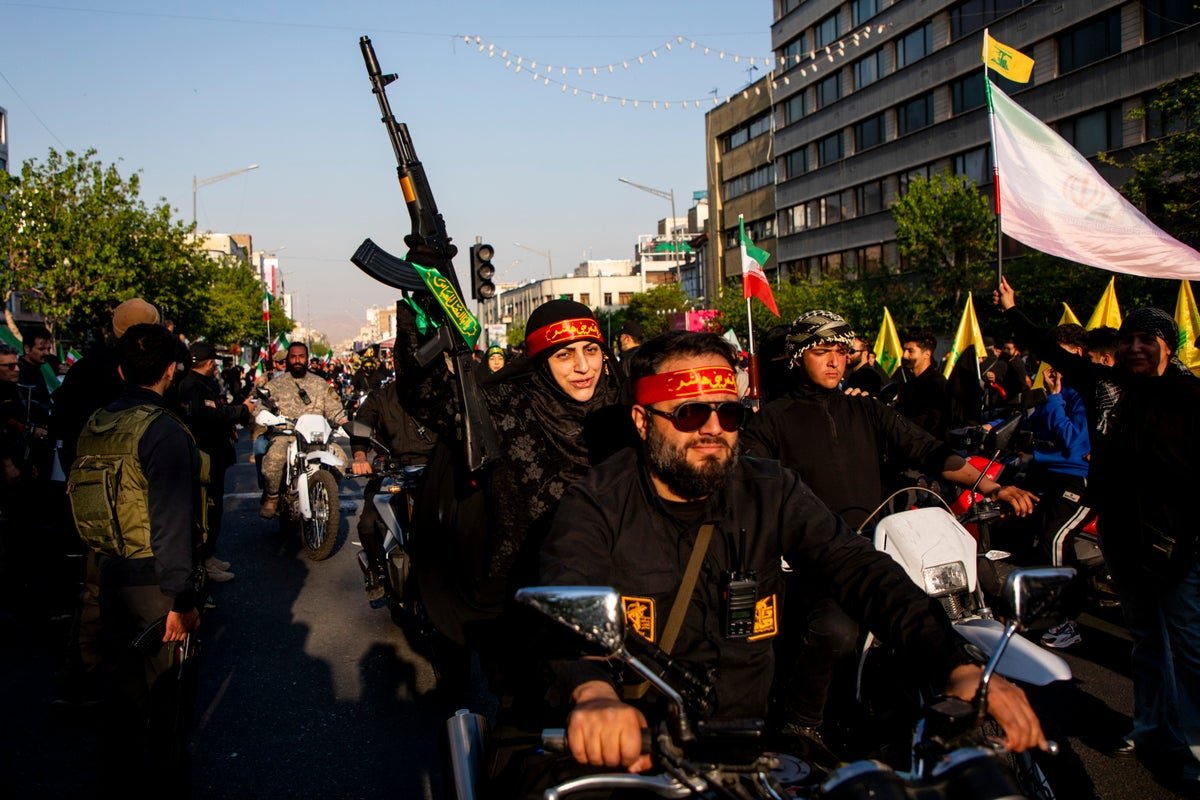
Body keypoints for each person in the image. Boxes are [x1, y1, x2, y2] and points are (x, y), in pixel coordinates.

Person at [539, 330, 1045, 779]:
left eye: (729, 413)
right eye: (690, 413)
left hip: (747, 750)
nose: (713, 429)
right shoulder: (596, 503)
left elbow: (862, 570)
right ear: (642, 421)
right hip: (635, 754)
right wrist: (592, 691)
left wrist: (955, 663)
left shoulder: (770, 489)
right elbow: (564, 609)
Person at [740, 310, 1036, 746]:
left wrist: (993, 486)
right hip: (809, 560)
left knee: (930, 615)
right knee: (837, 630)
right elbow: (751, 485)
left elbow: (929, 451)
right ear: (798, 357)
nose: (834, 361)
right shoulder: (770, 419)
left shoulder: (866, 407)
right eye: (822, 352)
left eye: (841, 351)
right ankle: (801, 724)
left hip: (875, 549)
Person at [997, 280, 1200, 789]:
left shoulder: (1191, 396)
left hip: (1179, 548)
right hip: (1124, 542)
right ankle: (1151, 729)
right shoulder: (1106, 387)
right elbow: (1051, 351)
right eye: (1128, 338)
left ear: (1168, 346)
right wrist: (1014, 311)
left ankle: (1194, 746)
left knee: (1190, 651)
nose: (1135, 347)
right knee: (1147, 644)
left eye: (1147, 339)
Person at [394, 296, 631, 702]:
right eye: (565, 355)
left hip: (620, 591)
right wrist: (424, 320)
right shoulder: (506, 406)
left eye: (591, 351)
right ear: (540, 361)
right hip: (524, 599)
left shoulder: (629, 409)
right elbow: (427, 396)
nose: (583, 367)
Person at [66, 323, 202, 793]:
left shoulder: (96, 422)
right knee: (168, 704)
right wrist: (182, 599)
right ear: (170, 371)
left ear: (121, 370)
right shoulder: (163, 430)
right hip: (155, 586)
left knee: (123, 700)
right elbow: (172, 521)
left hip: (109, 574)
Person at [349, 380, 437, 601]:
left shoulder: (441, 392)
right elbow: (363, 423)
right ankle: (376, 571)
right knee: (367, 525)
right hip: (392, 468)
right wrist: (360, 457)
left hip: (436, 468)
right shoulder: (380, 398)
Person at [178, 341, 254, 581]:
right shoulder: (192, 386)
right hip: (204, 456)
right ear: (210, 362)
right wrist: (242, 410)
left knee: (213, 508)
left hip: (214, 454)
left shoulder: (202, 383)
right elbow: (208, 416)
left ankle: (208, 555)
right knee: (207, 510)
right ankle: (203, 563)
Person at [259, 341, 348, 519]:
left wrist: (345, 423)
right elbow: (262, 405)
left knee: (341, 460)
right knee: (273, 459)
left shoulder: (321, 384)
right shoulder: (275, 384)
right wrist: (264, 414)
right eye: (293, 357)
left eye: (301, 356)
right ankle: (272, 497)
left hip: (317, 436)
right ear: (288, 359)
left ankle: (324, 494)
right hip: (287, 435)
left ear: (307, 358)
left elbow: (336, 410)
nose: (297, 360)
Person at [894, 329, 950, 439]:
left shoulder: (937, 384)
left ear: (927, 354)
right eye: (904, 350)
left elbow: (933, 423)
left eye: (910, 351)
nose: (905, 356)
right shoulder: (908, 384)